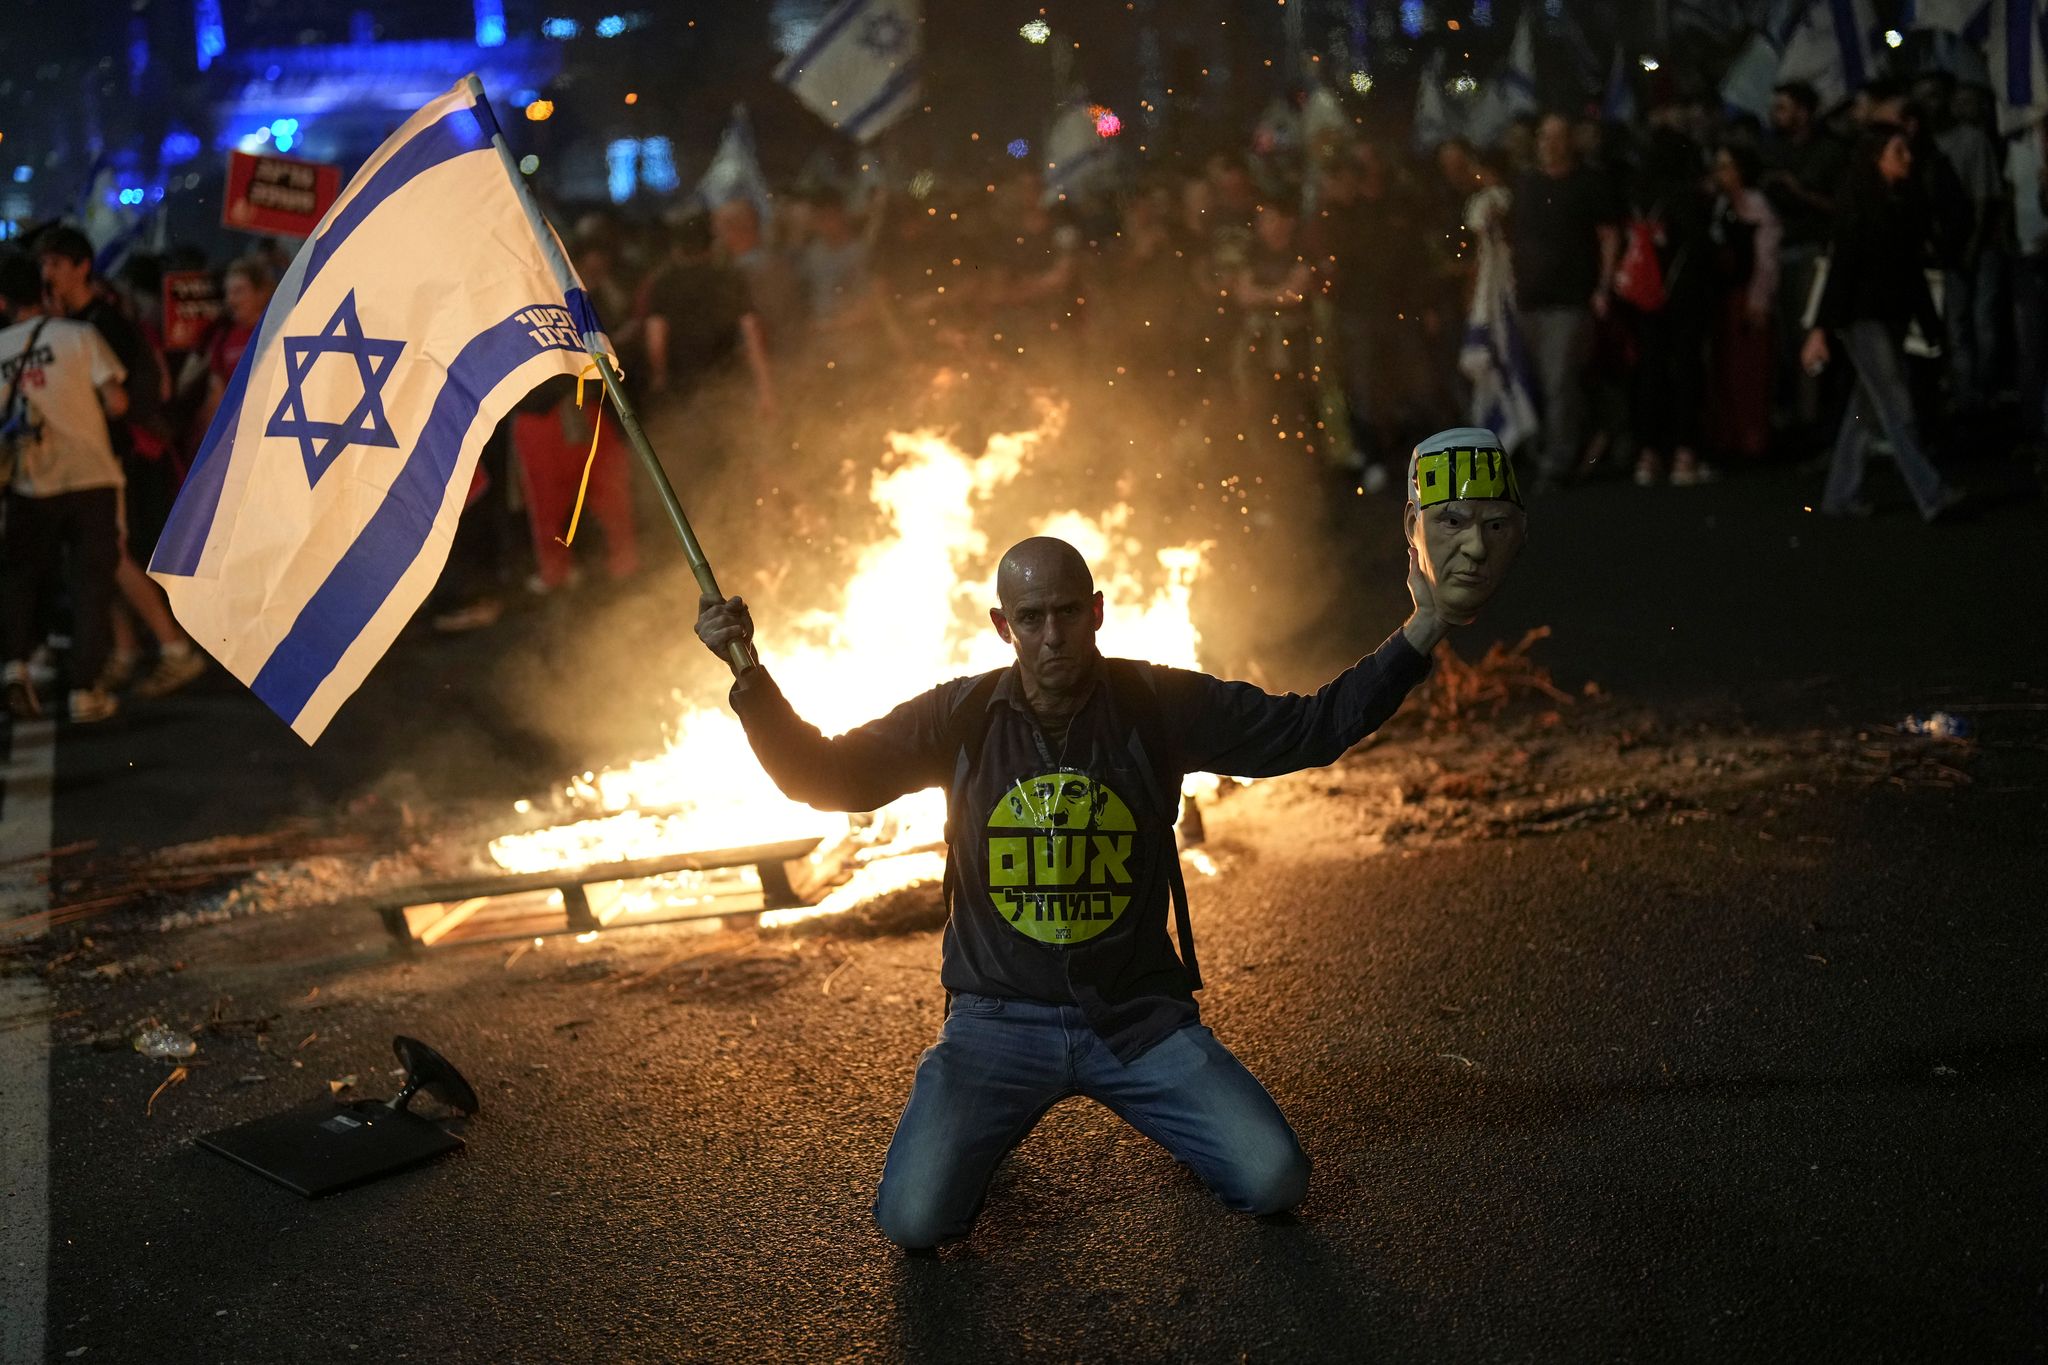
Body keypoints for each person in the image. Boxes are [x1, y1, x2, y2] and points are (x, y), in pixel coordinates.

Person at [692, 504, 1486, 1250]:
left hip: (1134, 1014)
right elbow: (829, 775)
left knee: (1275, 1178)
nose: (1051, 635)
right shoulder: (960, 715)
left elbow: (1308, 728)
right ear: (1003, 626)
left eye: (1067, 612)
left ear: (1097, 612)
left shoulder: (1155, 702)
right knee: (911, 1219)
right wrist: (750, 679)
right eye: (1030, 619)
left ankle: (1184, 1128)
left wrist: (1422, 629)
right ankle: (983, 1136)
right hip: (997, 1018)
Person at [37, 226, 206, 699]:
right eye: (43, 264)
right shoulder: (72, 321)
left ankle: (175, 649)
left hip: (113, 457)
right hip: (83, 459)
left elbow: (121, 397)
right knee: (92, 561)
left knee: (113, 557)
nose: (46, 273)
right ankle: (125, 651)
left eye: (54, 263)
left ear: (80, 267)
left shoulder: (103, 323)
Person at [1802, 124, 1967, 522]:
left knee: (1867, 409)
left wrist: (1930, 325)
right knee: (1895, 405)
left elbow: (1911, 273)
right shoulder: (1860, 210)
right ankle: (1931, 492)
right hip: (1863, 319)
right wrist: (1822, 330)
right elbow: (1841, 272)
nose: (1907, 158)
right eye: (1897, 152)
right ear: (1876, 159)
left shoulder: (1901, 205)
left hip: (1888, 317)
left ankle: (1840, 496)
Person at [0, 252, 129, 722]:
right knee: (91, 583)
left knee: (20, 578)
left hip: (31, 481)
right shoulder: (79, 336)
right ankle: (84, 690)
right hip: (91, 476)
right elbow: (116, 401)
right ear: (44, 291)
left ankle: (14, 670)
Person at [1510, 112, 1621, 490]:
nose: (1550, 144)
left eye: (1558, 136)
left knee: (1559, 379)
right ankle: (1579, 443)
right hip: (1531, 299)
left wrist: (1603, 287)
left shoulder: (1588, 184)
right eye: (1545, 136)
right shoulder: (1526, 185)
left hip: (1570, 299)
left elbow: (1608, 237)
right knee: (1546, 380)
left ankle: (1558, 461)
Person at [1705, 142, 1782, 466]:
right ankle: (1730, 436)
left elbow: (1766, 258)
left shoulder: (1757, 205)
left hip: (1746, 296)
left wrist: (1759, 299)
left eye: (1726, 166)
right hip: (1723, 296)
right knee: (1725, 370)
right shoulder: (1720, 204)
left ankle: (1753, 439)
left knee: (1749, 370)